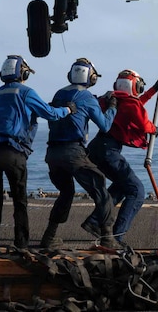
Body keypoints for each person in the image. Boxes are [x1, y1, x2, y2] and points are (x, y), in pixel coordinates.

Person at [0, 55, 74, 249]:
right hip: (12, 151)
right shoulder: (27, 92)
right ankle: (21, 245)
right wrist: (68, 110)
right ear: (24, 72)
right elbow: (51, 114)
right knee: (20, 201)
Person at [39, 57, 117, 250]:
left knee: (66, 192)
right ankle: (108, 238)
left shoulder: (59, 94)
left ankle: (49, 237)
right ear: (91, 77)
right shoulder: (88, 98)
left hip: (53, 153)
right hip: (73, 151)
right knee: (100, 188)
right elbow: (105, 126)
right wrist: (113, 107)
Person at [87, 68, 158, 249]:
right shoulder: (130, 104)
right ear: (134, 86)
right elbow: (142, 122)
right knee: (137, 191)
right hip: (109, 151)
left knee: (123, 186)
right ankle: (116, 237)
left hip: (96, 149)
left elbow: (136, 105)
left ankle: (94, 221)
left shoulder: (113, 100)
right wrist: (154, 129)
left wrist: (154, 90)